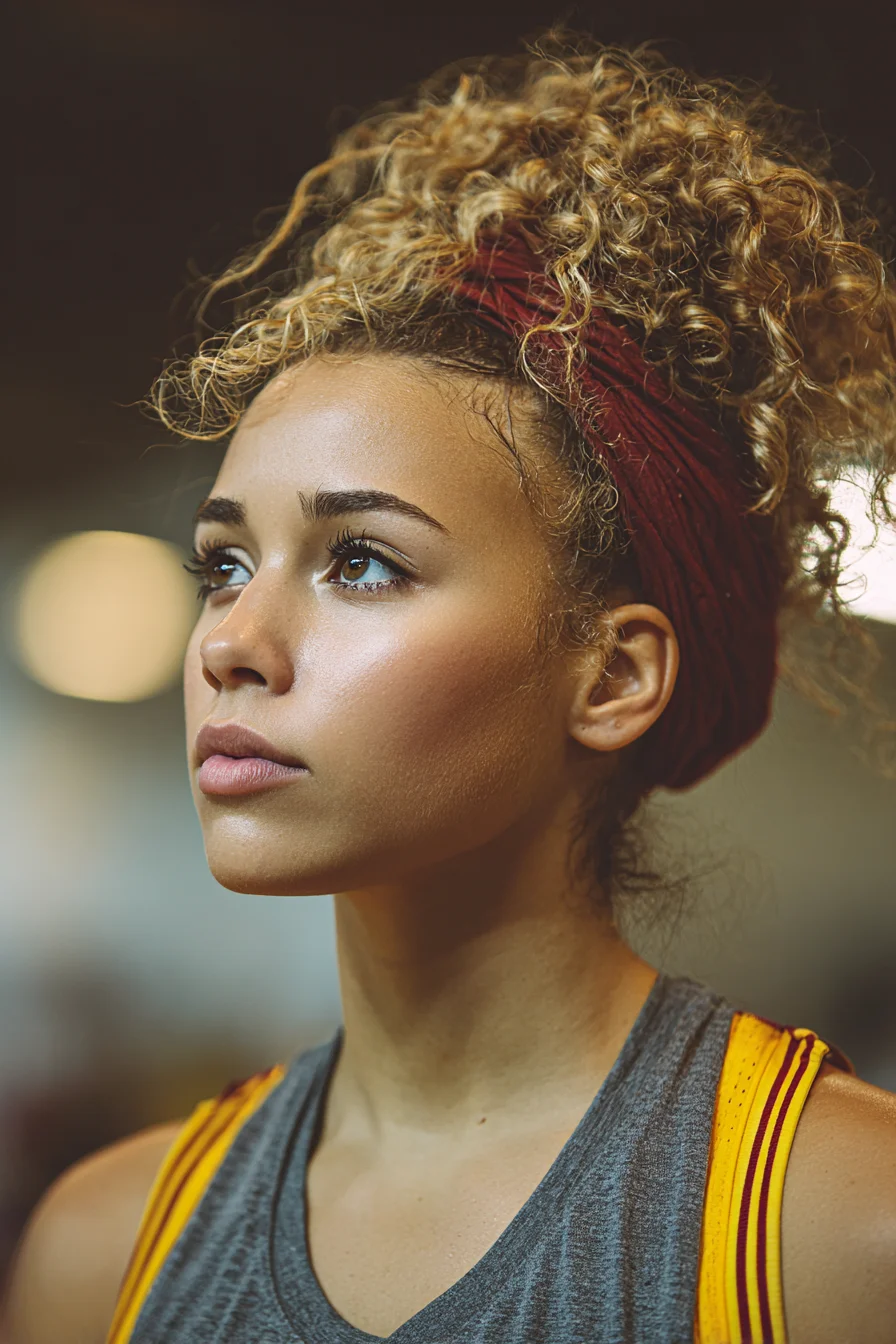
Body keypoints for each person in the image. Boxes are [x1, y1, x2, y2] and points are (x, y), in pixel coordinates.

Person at [3, 30, 896, 1344]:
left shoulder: (841, 1231)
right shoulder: (103, 1252)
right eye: (223, 565)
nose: (231, 642)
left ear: (615, 675)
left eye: (362, 562)